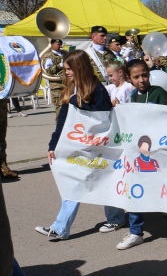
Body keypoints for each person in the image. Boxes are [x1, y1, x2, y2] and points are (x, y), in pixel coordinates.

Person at [34, 51, 122, 240]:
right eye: (65, 69)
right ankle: (60, 228)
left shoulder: (98, 89)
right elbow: (63, 122)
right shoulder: (70, 89)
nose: (66, 73)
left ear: (79, 67)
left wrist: (79, 104)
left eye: (69, 69)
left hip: (99, 147)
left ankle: (116, 217)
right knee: (72, 182)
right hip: (78, 146)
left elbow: (104, 119)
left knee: (106, 180)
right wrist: (53, 145)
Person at [114, 60, 167, 251]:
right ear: (129, 78)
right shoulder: (132, 97)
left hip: (160, 152)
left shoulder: (159, 93)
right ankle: (136, 231)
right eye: (136, 77)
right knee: (134, 189)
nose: (142, 80)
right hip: (140, 153)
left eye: (144, 75)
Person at [41, 38, 66, 119]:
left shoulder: (65, 54)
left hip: (68, 83)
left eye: (61, 44)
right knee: (60, 105)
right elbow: (48, 71)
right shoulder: (49, 56)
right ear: (52, 45)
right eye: (58, 44)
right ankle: (59, 123)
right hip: (57, 85)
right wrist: (60, 66)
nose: (60, 46)